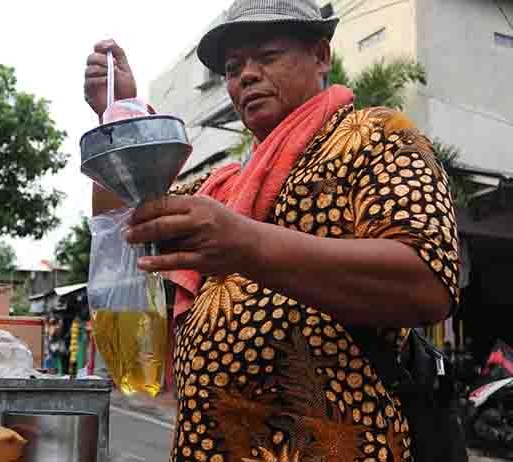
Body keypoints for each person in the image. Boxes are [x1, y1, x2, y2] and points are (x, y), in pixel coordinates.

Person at [83, 1, 461, 461]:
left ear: (321, 56)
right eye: (233, 67)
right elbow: (122, 219)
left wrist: (247, 245)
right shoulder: (221, 184)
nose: (246, 75)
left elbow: (428, 285)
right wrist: (120, 113)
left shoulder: (376, 137)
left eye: (267, 56)